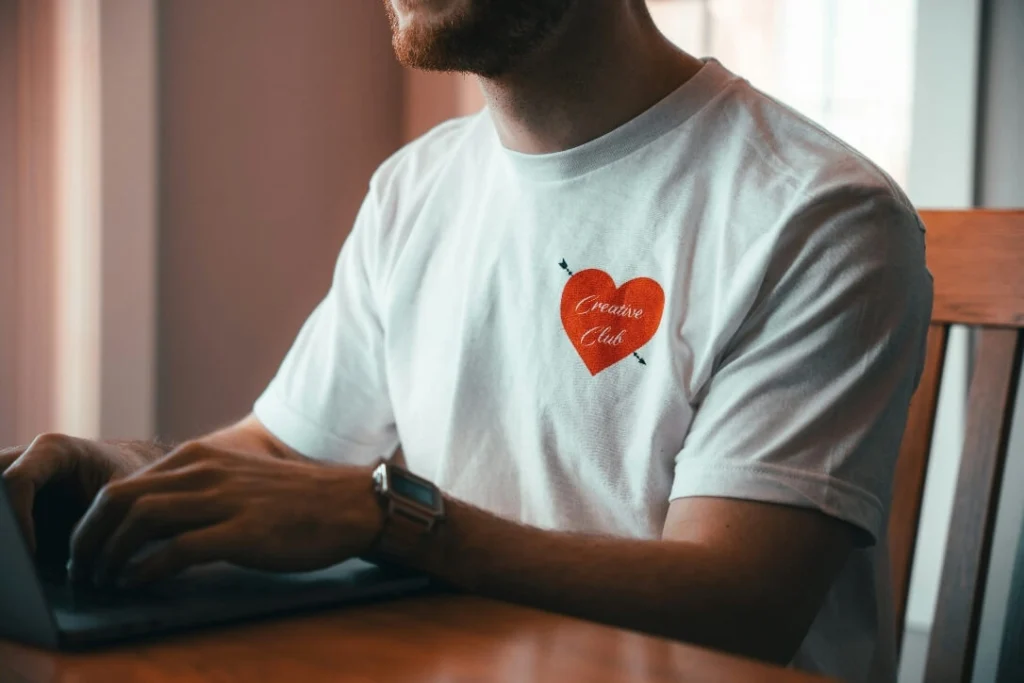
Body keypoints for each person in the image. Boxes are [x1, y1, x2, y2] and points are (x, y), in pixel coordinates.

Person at [0, 1, 932, 681]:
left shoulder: (817, 214)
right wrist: (121, 469)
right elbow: (284, 452)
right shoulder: (418, 188)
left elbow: (741, 604)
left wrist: (391, 517)